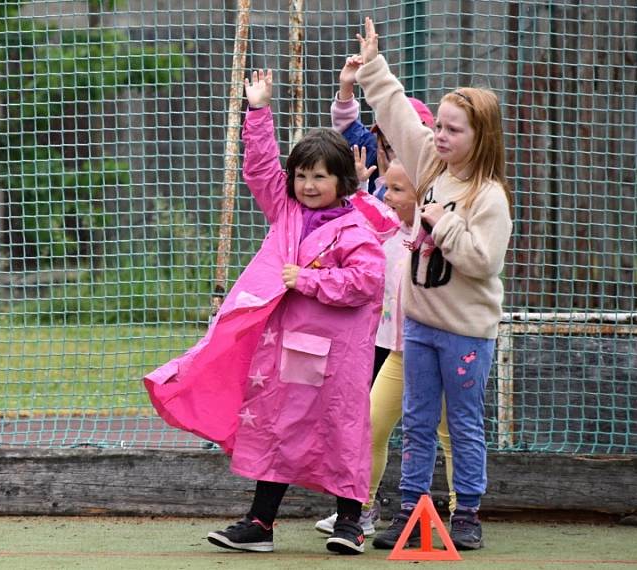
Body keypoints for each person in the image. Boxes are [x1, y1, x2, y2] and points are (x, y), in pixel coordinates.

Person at [177, 69, 386, 556]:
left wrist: (308, 279)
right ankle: (259, 522)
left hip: (342, 356)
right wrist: (258, 111)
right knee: (279, 425)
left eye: (320, 176)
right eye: (302, 175)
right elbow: (260, 169)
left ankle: (350, 523)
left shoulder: (356, 227)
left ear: (343, 180)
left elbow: (368, 282)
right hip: (293, 349)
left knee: (343, 427)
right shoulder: (286, 211)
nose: (309, 185)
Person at [354, 18, 513, 551]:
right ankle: (410, 511)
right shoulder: (430, 167)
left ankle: (466, 512)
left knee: (463, 424)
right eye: (438, 127)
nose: (439, 137)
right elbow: (399, 116)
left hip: (465, 334)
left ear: (480, 137)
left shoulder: (488, 196)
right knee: (417, 422)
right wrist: (374, 67)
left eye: (452, 130)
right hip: (419, 327)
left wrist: (439, 222)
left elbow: (483, 261)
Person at [314, 158, 457, 539]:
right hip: (397, 352)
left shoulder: (431, 231)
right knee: (370, 428)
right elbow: (356, 218)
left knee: (450, 434)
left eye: (397, 189)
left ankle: (462, 514)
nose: (387, 196)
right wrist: (358, 189)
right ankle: (361, 509)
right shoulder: (384, 228)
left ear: (423, 193)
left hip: (437, 349)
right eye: (386, 188)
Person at [331, 54, 437, 203]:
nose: (400, 152)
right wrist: (346, 85)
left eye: (407, 143)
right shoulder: (372, 157)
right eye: (391, 146)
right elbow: (347, 125)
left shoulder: (436, 169)